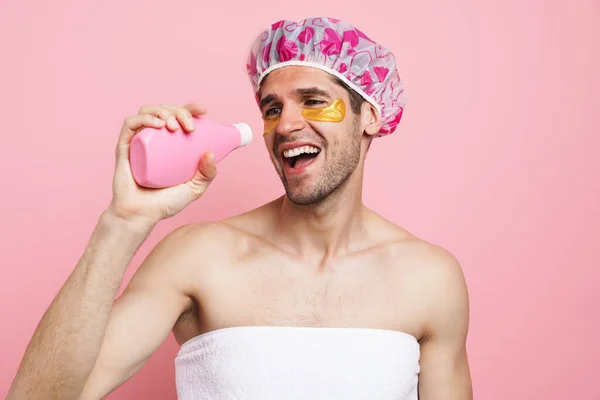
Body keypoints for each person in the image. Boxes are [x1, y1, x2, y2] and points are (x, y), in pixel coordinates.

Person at [7, 17, 472, 400]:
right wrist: (123, 223)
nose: (286, 123)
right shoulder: (200, 256)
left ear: (371, 115)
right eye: (272, 108)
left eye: (313, 101)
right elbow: (39, 397)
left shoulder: (429, 278)